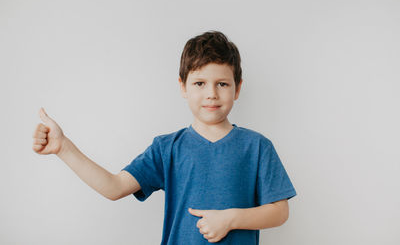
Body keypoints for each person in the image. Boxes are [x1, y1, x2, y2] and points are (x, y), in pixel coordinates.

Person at [32, 30, 297, 244]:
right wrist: (63, 148)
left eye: (222, 84)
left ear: (237, 88)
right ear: (183, 86)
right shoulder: (167, 148)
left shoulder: (257, 147)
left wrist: (230, 219)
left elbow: (279, 211)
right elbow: (113, 187)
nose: (211, 94)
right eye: (199, 83)